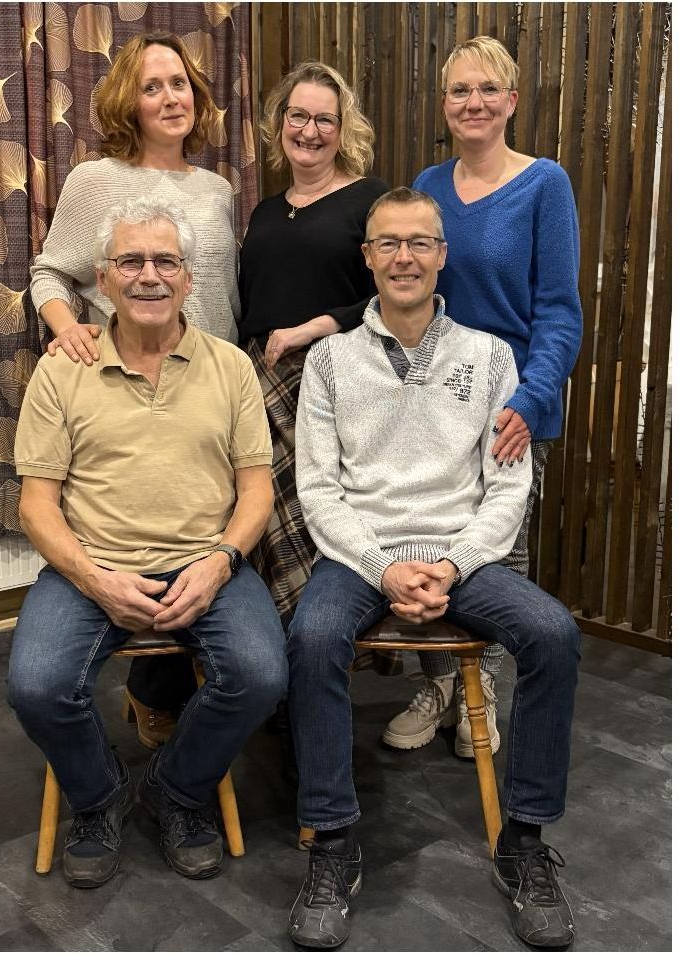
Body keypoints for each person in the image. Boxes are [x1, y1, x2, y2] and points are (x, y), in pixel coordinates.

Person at [286, 188, 580, 950]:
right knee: (311, 637)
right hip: (361, 554)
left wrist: (451, 563)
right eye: (389, 243)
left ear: (442, 255)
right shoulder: (329, 360)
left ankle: (524, 841)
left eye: (420, 242)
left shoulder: (490, 356)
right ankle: (334, 841)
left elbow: (507, 487)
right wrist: (385, 568)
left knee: (553, 633)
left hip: (461, 554)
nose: (405, 257)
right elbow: (318, 489)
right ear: (368, 256)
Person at [9, 198, 287, 889]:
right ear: (103, 279)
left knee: (261, 675)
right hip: (90, 565)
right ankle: (99, 796)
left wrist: (221, 562)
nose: (149, 275)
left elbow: (257, 492)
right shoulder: (62, 369)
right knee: (36, 686)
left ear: (189, 278)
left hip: (206, 560)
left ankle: (176, 790)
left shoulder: (230, 367)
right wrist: (94, 578)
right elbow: (36, 505)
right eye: (130, 260)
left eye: (166, 261)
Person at [29, 31, 240, 747]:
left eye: (180, 84)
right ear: (130, 100)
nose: (170, 97)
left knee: (201, 532)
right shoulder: (96, 181)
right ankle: (157, 695)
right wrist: (69, 331)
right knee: (138, 526)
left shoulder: (217, 190)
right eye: (153, 86)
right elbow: (50, 272)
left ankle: (201, 688)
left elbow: (221, 293)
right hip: (124, 384)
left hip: (209, 385)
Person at [383, 36, 582, 757]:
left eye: (488, 89)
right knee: (425, 537)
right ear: (444, 104)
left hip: (511, 407)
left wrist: (531, 399)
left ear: (512, 101)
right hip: (434, 402)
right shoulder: (428, 185)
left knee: (495, 555)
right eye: (461, 90)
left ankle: (483, 687)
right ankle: (440, 683)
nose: (474, 102)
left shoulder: (544, 184)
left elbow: (559, 310)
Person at [238, 60, 389, 627]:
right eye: (297, 116)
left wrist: (316, 326)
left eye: (325, 119)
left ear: (343, 129)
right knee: (260, 517)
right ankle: (274, 655)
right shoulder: (265, 211)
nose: (309, 131)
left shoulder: (371, 200)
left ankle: (324, 645)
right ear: (280, 122)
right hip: (259, 382)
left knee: (317, 514)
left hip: (332, 376)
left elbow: (397, 293)